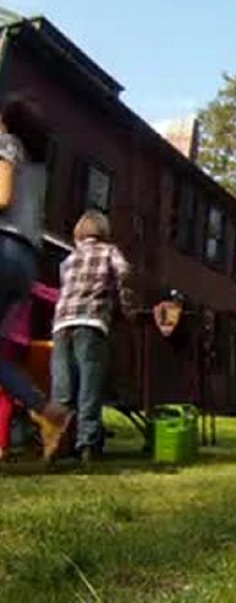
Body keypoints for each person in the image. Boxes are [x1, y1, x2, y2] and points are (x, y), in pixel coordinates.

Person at [0, 97, 73, 460]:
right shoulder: (39, 167)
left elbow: (1, 195)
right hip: (25, 259)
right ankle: (47, 411)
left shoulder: (6, 144)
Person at [51, 211, 133, 463]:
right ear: (103, 232)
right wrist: (125, 307)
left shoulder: (69, 258)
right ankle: (87, 445)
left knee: (63, 389)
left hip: (62, 324)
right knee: (89, 387)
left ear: (79, 234)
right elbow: (124, 274)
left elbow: (65, 286)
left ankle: (55, 444)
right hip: (91, 323)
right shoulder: (109, 251)